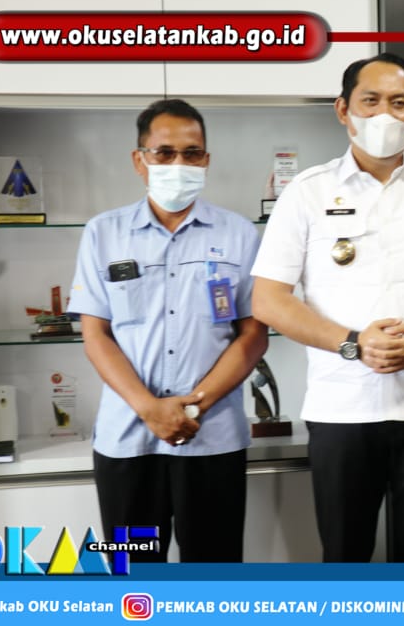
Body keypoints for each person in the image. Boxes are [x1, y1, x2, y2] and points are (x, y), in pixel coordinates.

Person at [250, 53, 404, 562]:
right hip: (342, 410)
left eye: (399, 103)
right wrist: (353, 343)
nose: (385, 114)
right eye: (371, 101)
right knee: (346, 556)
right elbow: (268, 300)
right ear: (344, 110)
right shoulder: (307, 193)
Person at [68, 98, 267, 562]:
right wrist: (150, 409)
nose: (179, 163)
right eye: (164, 152)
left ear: (206, 160)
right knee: (133, 572)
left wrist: (193, 406)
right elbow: (95, 335)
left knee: (215, 571)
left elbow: (254, 334)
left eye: (191, 153)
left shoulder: (238, 234)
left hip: (212, 437)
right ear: (140, 160)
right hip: (127, 438)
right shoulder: (103, 233)